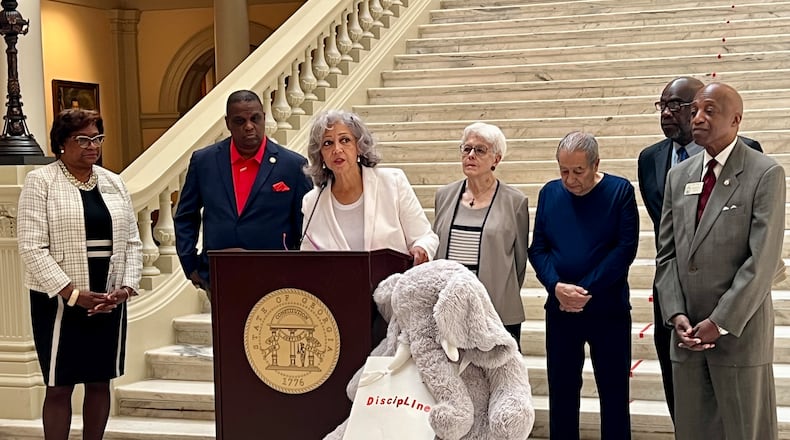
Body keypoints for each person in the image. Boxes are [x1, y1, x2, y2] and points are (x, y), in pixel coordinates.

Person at [654, 82, 784, 440]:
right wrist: (676, 313)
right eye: (695, 109)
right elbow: (667, 254)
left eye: (710, 110)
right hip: (688, 335)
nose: (698, 117)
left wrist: (720, 321)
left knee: (747, 431)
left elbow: (762, 261)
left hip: (738, 334)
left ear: (736, 120)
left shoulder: (765, 173)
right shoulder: (677, 176)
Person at [636, 76, 762, 421]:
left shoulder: (750, 154)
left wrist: (721, 316)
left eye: (677, 106)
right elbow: (668, 240)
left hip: (727, 303)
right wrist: (675, 307)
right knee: (682, 399)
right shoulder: (651, 160)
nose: (667, 113)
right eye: (663, 105)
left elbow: (754, 246)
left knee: (732, 410)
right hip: (676, 300)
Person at [17, 109, 143, 440]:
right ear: (61, 144)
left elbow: (132, 242)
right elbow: (31, 247)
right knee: (59, 385)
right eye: (83, 139)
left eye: (97, 138)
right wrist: (72, 294)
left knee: (100, 382)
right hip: (59, 302)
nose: (92, 146)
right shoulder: (41, 181)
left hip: (107, 298)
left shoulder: (114, 182)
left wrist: (125, 289)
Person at [528, 131, 638, 440]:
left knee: (614, 392)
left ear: (595, 164)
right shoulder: (550, 193)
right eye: (563, 170)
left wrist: (584, 291)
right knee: (561, 392)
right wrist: (556, 286)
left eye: (578, 171)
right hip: (561, 310)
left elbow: (624, 250)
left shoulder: (620, 191)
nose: (570, 179)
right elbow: (538, 249)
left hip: (608, 309)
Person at [174, 90, 312, 294]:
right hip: (220, 276)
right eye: (239, 121)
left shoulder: (293, 166)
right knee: (226, 328)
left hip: (277, 277)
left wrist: (299, 271)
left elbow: (306, 225)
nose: (248, 127)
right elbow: (185, 216)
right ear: (228, 123)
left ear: (264, 118)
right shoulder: (204, 162)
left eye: (255, 118)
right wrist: (191, 265)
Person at [433, 122, 528, 348]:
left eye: (480, 150)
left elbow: (519, 261)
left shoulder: (515, 201)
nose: (471, 155)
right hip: (451, 307)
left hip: (496, 309)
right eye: (466, 149)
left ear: (496, 159)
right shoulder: (444, 195)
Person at [300, 109, 438, 262]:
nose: (337, 149)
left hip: (393, 283)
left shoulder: (393, 182)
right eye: (328, 143)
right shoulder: (312, 202)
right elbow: (308, 260)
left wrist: (421, 248)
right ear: (320, 155)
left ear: (359, 146)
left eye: (345, 140)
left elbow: (425, 237)